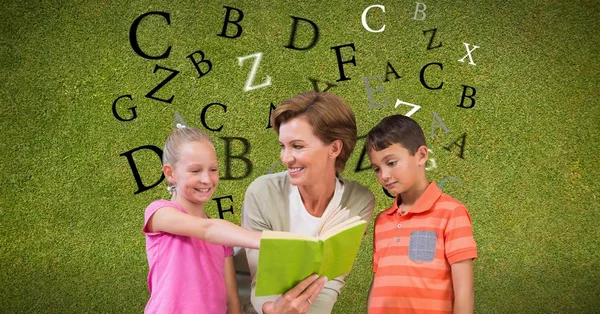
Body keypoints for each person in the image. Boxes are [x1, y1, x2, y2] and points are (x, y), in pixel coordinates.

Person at [143, 124, 326, 314]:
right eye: (195, 171)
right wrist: (274, 242)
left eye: (213, 169)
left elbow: (232, 304)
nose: (206, 179)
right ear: (170, 173)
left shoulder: (222, 240)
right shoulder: (159, 213)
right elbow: (207, 230)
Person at [238, 92, 376, 314]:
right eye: (283, 146)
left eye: (298, 146)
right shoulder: (263, 192)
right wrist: (274, 311)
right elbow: (259, 280)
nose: (285, 157)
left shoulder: (359, 201)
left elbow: (330, 281)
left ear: (334, 149)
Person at [365, 114, 478, 314]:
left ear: (421, 155)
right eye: (376, 169)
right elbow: (378, 284)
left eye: (391, 163)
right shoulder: (382, 221)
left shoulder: (452, 213)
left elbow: (464, 292)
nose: (384, 175)